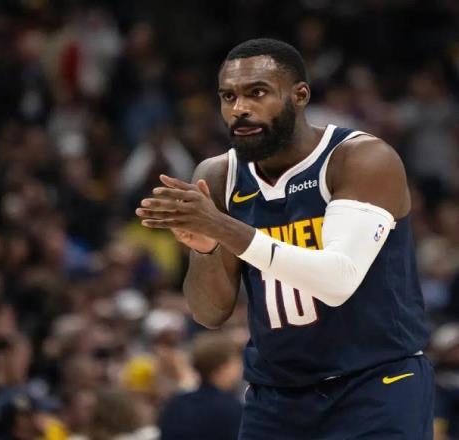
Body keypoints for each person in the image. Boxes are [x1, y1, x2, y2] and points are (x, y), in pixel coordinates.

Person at [136, 38, 434, 439]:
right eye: (228, 96)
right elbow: (209, 313)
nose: (239, 108)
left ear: (300, 95)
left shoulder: (360, 158)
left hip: (375, 384)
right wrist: (205, 248)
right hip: (276, 397)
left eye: (257, 92)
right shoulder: (219, 176)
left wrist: (222, 228)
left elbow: (338, 280)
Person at [158, 331, 243, 440]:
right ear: (222, 368)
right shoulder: (232, 408)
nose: (240, 366)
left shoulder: (175, 404)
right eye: (235, 361)